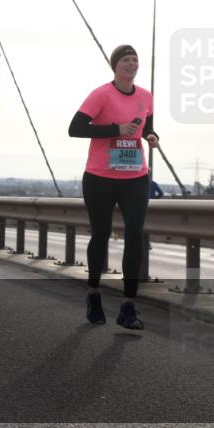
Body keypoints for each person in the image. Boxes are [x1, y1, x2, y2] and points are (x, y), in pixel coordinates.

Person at [68, 44, 159, 330]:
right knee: (102, 234)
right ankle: (94, 293)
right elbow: (75, 128)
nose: (132, 64)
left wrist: (152, 136)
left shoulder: (145, 96)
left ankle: (128, 306)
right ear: (115, 66)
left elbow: (146, 127)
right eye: (126, 60)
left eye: (135, 60)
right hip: (100, 177)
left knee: (134, 235)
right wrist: (115, 129)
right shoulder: (101, 94)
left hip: (135, 177)